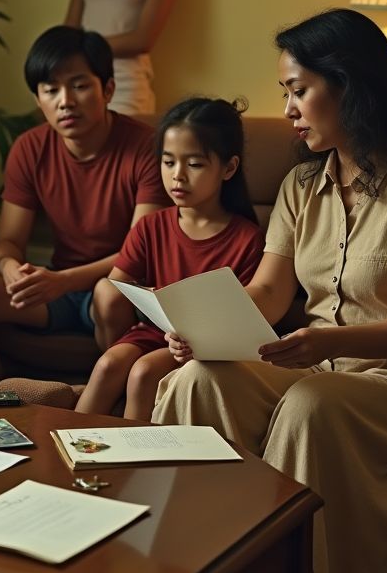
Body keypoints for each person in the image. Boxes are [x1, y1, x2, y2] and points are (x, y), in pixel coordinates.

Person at [154, 9, 387, 573]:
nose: (289, 109)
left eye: (298, 90)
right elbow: (269, 295)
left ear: (348, 85)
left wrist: (325, 348)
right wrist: (199, 329)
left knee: (309, 404)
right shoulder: (302, 186)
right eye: (285, 94)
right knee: (194, 379)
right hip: (321, 367)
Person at [0, 26, 167, 348]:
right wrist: (10, 269)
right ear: (38, 99)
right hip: (56, 289)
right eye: (51, 90)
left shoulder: (147, 147)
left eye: (80, 86)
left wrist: (61, 282)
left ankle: (109, 393)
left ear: (108, 90)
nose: (65, 102)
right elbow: (8, 241)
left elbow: (137, 257)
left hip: (121, 286)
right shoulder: (29, 148)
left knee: (109, 294)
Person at [75, 97, 264, 420]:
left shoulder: (247, 238)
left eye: (194, 164)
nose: (177, 176)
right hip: (154, 330)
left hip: (203, 346)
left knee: (143, 372)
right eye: (168, 162)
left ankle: (131, 464)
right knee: (108, 364)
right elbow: (117, 286)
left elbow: (244, 322)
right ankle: (61, 454)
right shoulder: (152, 226)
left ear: (228, 168)